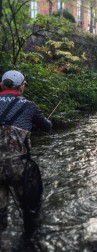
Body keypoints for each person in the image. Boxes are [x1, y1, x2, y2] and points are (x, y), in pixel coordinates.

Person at [0, 70, 52, 235]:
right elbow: (47, 127)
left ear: (1, 85)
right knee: (30, 209)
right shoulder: (30, 107)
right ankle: (31, 238)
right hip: (20, 170)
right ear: (21, 87)